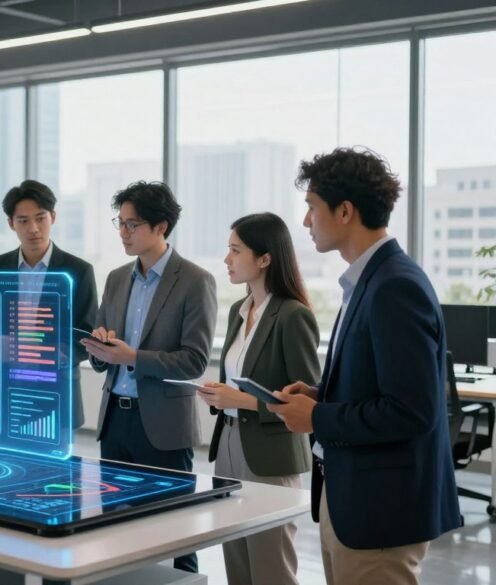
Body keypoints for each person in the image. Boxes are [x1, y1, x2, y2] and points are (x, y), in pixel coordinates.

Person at [268, 147, 460, 585]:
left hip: (382, 511)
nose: (305, 221)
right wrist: (320, 395)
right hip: (355, 498)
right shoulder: (368, 279)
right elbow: (381, 384)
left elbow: (412, 410)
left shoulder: (395, 286)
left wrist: (316, 416)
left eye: (311, 208)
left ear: (345, 211)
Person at [81, 180, 216, 574]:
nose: (123, 232)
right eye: (120, 223)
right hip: (115, 420)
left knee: (175, 530)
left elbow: (193, 361)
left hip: (162, 426)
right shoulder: (117, 278)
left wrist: (133, 357)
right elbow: (105, 355)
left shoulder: (194, 280)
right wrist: (102, 348)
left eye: (132, 224)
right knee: (116, 525)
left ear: (161, 226)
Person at [196, 212, 319, 585]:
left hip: (270, 453)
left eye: (235, 250)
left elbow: (309, 402)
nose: (226, 259)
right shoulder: (239, 310)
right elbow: (236, 378)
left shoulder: (293, 315)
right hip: (230, 442)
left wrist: (243, 400)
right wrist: (220, 396)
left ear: (265, 259)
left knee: (270, 565)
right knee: (235, 558)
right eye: (227, 249)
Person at [0, 179, 98, 428]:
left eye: (40, 218)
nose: (33, 228)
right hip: (1, 394)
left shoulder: (78, 271)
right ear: (11, 223)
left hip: (55, 394)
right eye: (23, 221)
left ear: (52, 217)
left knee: (53, 469)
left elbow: (86, 336)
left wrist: (52, 353)